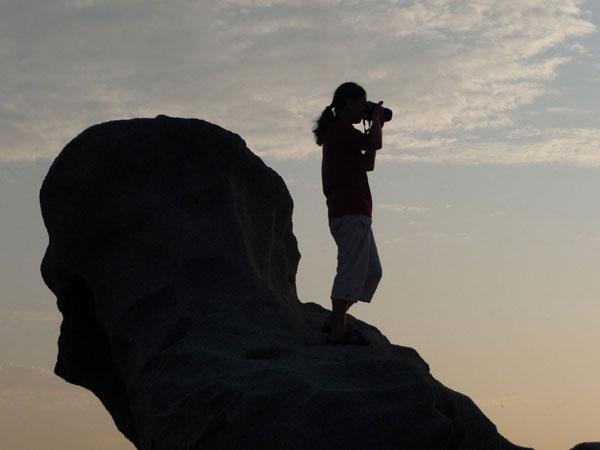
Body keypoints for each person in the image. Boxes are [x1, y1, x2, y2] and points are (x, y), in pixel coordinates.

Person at [312, 81, 384, 345]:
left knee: (370, 272)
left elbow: (367, 163)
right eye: (363, 105)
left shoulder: (343, 134)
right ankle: (338, 330)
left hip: (356, 211)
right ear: (349, 103)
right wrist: (376, 121)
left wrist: (374, 125)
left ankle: (335, 319)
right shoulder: (339, 130)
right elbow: (375, 141)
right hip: (349, 210)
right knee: (351, 270)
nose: (365, 110)